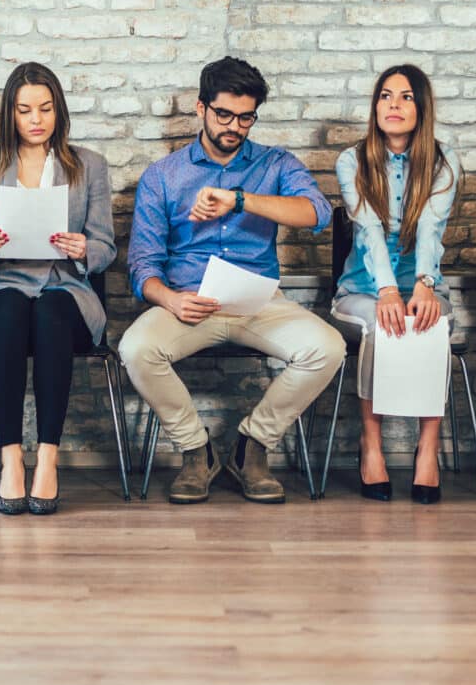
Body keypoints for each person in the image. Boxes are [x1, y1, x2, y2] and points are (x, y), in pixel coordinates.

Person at [120, 56, 345, 505]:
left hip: (259, 302)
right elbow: (142, 264)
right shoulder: (163, 177)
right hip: (189, 303)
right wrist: (170, 300)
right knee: (135, 349)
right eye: (224, 114)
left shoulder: (275, 164)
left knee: (328, 347)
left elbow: (317, 213)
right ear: (200, 108)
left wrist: (241, 200)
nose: (235, 127)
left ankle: (252, 446)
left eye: (246, 117)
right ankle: (196, 450)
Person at [0, 62, 116, 515]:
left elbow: (106, 246)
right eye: (25, 110)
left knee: (49, 312)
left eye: (45, 109)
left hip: (67, 290)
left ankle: (48, 456)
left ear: (58, 111)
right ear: (10, 113)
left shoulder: (90, 166)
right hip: (3, 285)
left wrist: (85, 248)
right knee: (9, 310)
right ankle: (12, 458)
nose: (35, 119)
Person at [330, 65, 461, 505]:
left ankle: (429, 448)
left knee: (430, 323)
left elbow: (431, 229)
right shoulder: (352, 160)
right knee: (380, 326)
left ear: (421, 108)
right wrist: (388, 291)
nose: (394, 105)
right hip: (363, 290)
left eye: (406, 97)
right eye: (386, 96)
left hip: (424, 286)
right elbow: (367, 229)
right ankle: (372, 444)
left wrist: (423, 284)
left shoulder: (444, 162)